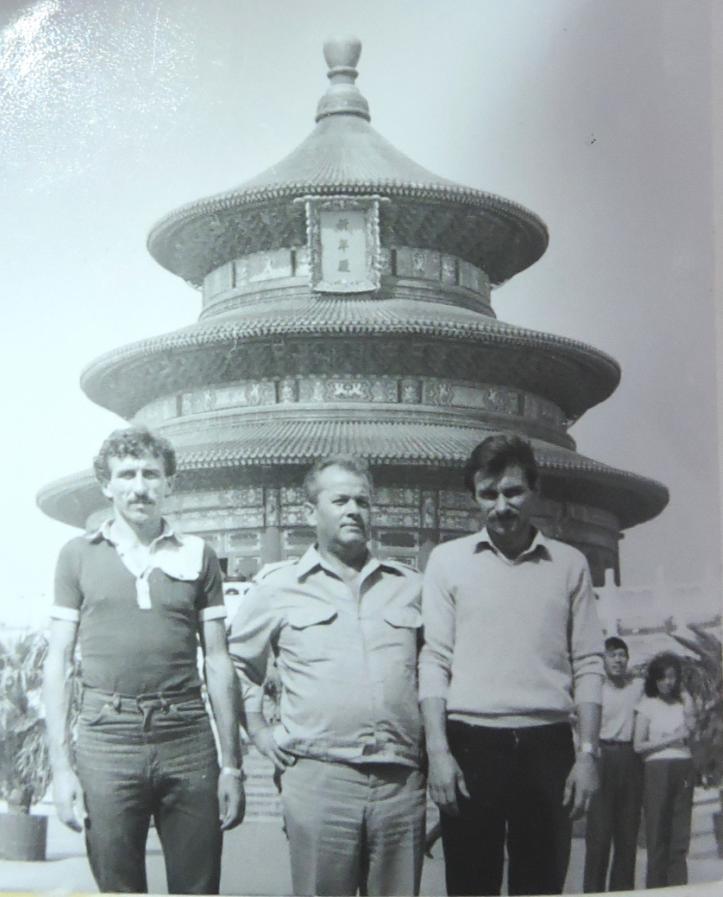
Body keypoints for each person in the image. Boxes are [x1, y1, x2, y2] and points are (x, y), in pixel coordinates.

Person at [43, 426, 245, 894]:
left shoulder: (200, 555)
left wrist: (231, 766)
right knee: (118, 888)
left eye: (152, 474)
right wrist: (61, 767)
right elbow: (58, 661)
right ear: (106, 485)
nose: (140, 487)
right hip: (107, 738)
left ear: (170, 483)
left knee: (198, 887)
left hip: (186, 735)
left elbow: (218, 661)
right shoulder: (77, 556)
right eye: (127, 474)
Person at [228, 455, 426, 896]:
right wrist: (259, 731)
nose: (354, 510)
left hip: (399, 782)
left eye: (363, 501)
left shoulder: (410, 586)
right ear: (309, 512)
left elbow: (436, 672)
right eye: (340, 500)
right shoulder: (278, 587)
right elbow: (237, 664)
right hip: (319, 780)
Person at [419, 433, 604, 896]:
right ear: (474, 498)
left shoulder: (569, 565)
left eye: (513, 491)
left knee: (541, 884)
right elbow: (434, 659)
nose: (501, 506)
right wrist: (439, 753)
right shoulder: (446, 562)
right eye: (488, 494)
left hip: (548, 748)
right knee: (470, 884)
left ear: (534, 490)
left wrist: (587, 755)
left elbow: (588, 662)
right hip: (471, 745)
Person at [583, 636, 644, 892]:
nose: (618, 660)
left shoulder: (637, 686)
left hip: (630, 759)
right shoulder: (593, 691)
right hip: (602, 758)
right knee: (598, 838)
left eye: (622, 655)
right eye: (613, 655)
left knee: (627, 838)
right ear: (603, 660)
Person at [633, 651, 696, 888]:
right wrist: (671, 739)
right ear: (654, 679)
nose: (668, 682)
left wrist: (688, 700)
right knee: (657, 831)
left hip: (683, 766)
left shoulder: (682, 702)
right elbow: (639, 745)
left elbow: (690, 729)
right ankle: (656, 888)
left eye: (672, 677)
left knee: (680, 834)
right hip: (657, 768)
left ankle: (680, 888)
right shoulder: (646, 705)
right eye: (663, 677)